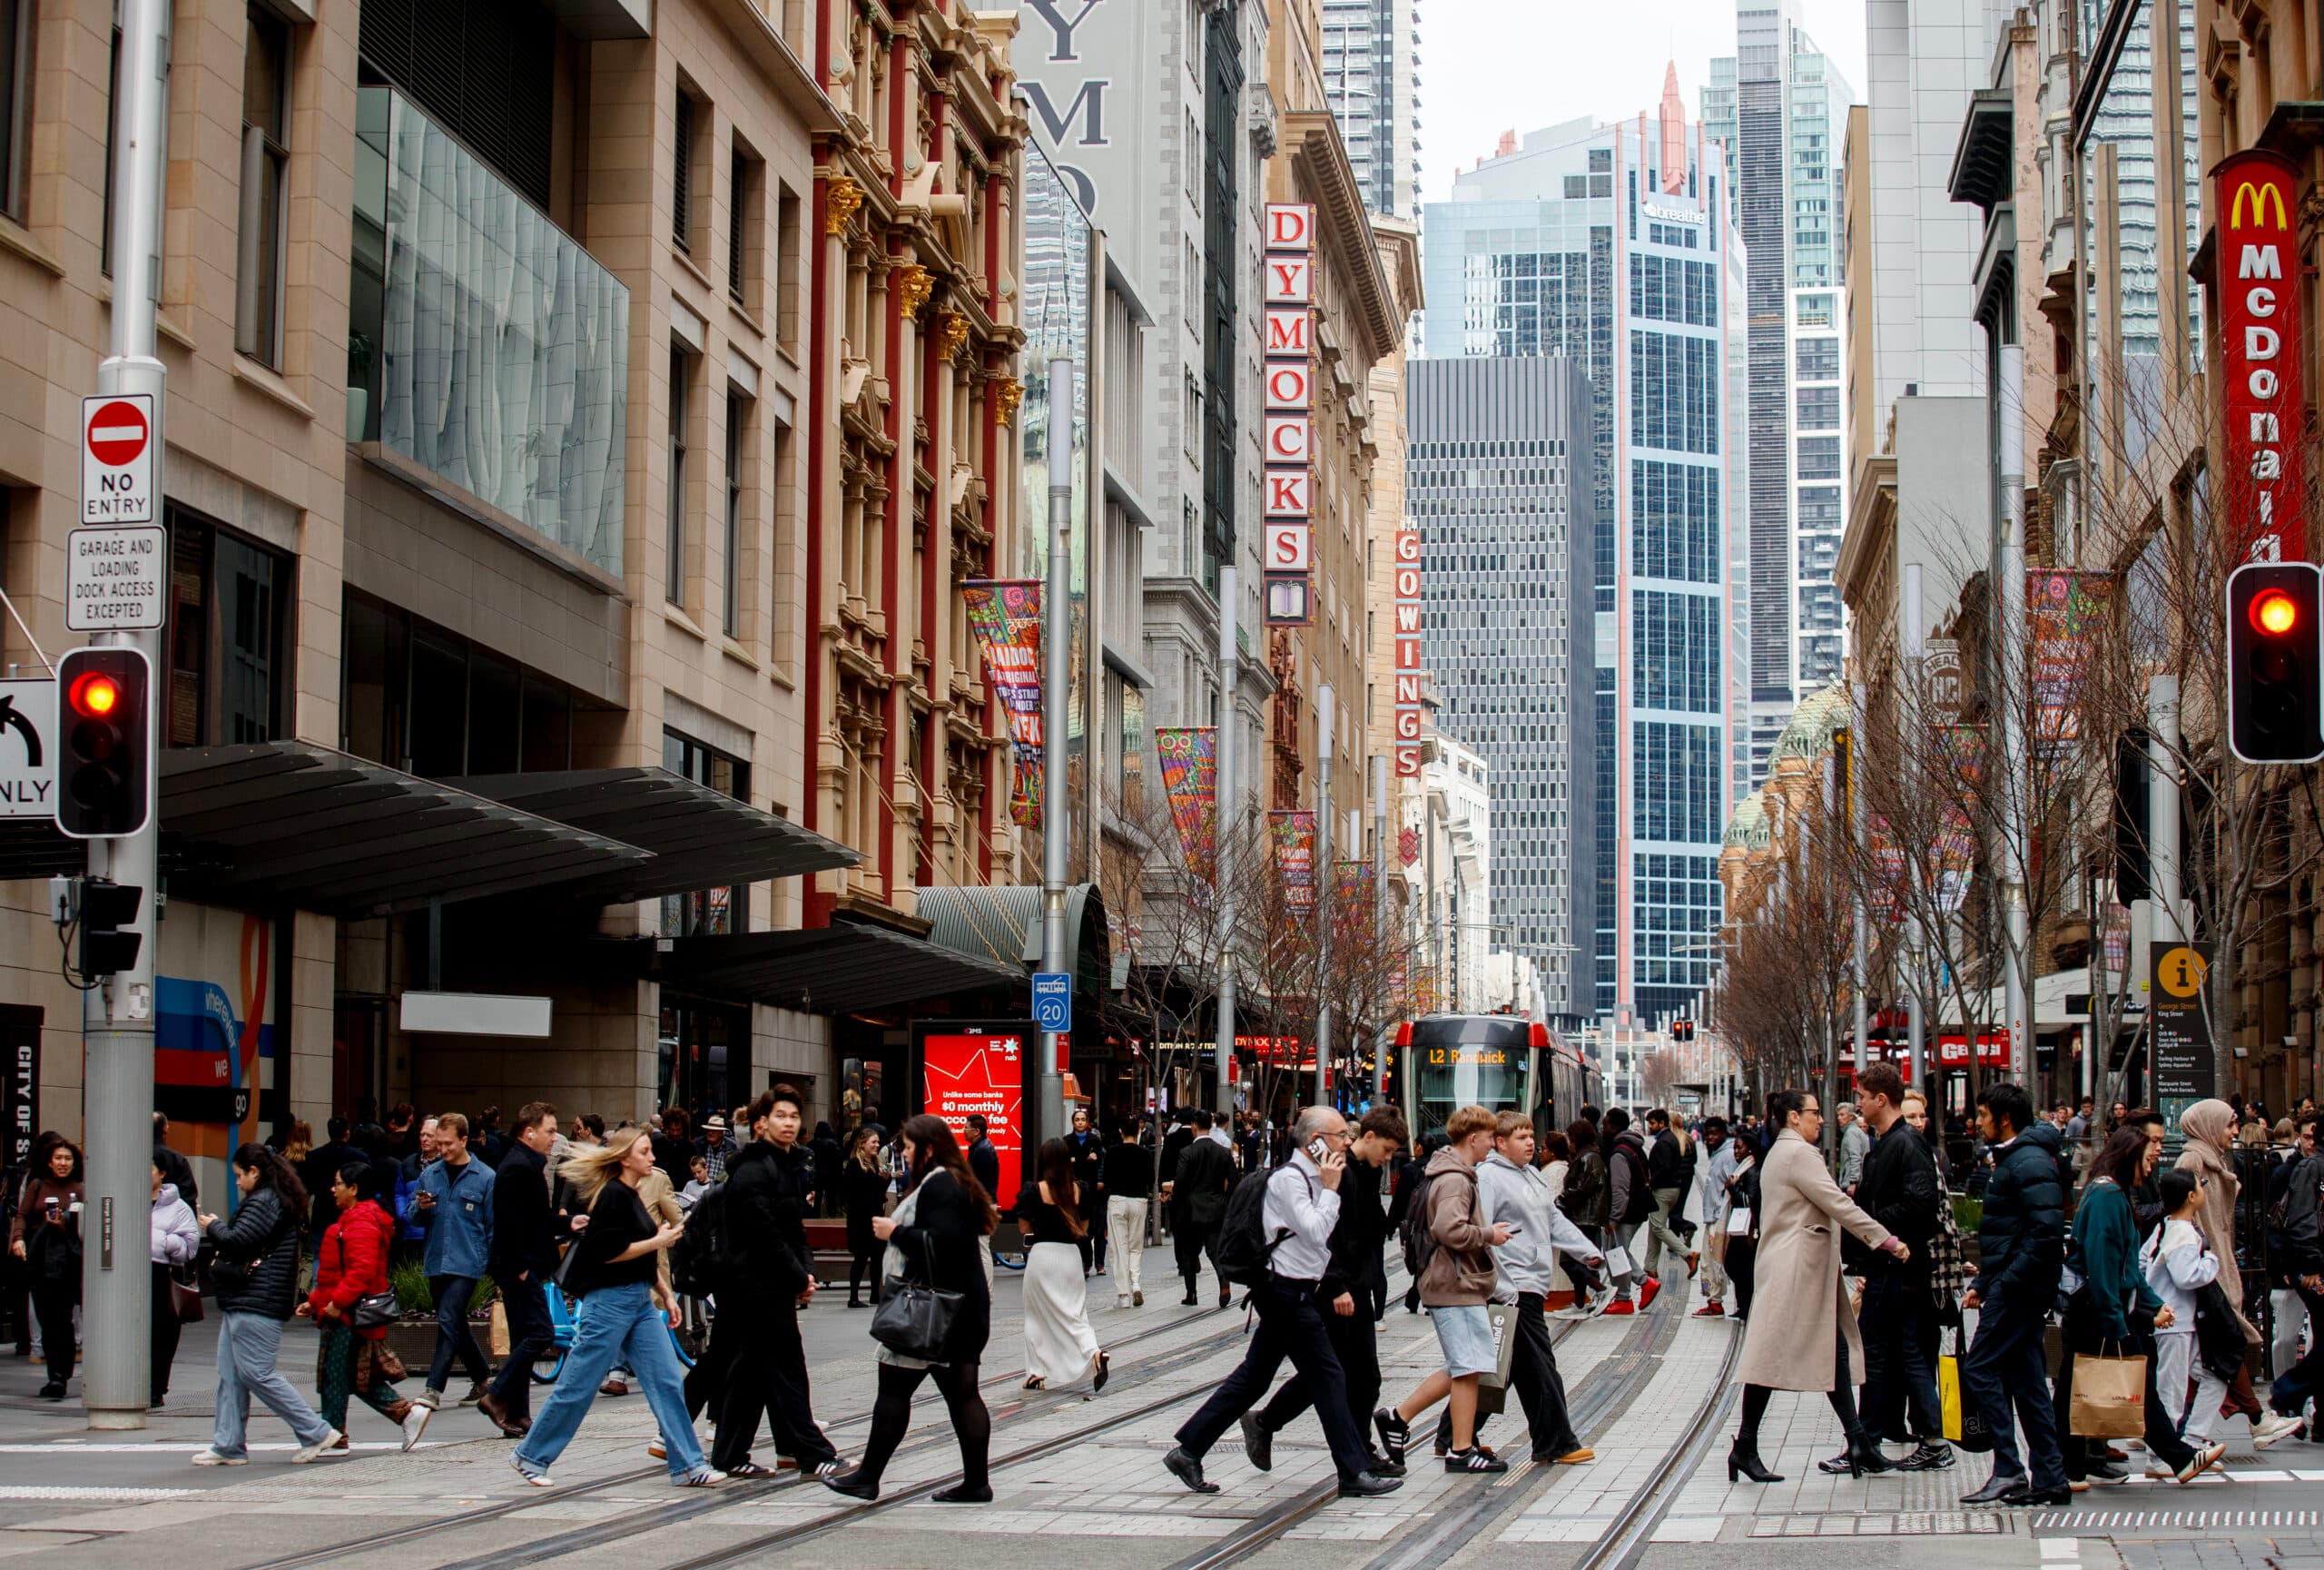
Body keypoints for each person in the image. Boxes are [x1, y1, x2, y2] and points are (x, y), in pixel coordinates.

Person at [1162, 1106, 1401, 1498]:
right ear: (1314, 1142)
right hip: (1284, 1293)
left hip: (1295, 1291)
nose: (1346, 1141)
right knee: (1329, 1376)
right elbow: (1317, 1231)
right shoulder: (1291, 1181)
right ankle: (1353, 1470)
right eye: (1340, 1135)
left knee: (1253, 1378)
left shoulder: (1315, 1178)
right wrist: (1330, 1188)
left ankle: (1189, 1450)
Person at [510, 1125, 717, 1487]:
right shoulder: (613, 1196)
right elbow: (609, 1253)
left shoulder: (631, 1193)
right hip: (608, 1302)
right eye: (644, 1152)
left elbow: (640, 1251)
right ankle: (531, 1456)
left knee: (667, 1381)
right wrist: (659, 1239)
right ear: (625, 1159)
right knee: (579, 1384)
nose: (652, 1157)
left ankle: (689, 1466)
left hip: (636, 1300)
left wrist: (665, 1293)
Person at [1726, 1089, 1908, 1486]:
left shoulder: (1779, 1151)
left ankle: (1856, 1441)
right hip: (1797, 1269)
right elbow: (1837, 1203)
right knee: (1770, 1357)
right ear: (1793, 1117)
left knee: (1832, 1351)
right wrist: (1886, 1240)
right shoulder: (1799, 1154)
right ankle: (1747, 1446)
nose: (1820, 1119)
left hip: (1794, 1266)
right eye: (1813, 1113)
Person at [819, 1115, 996, 1503]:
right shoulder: (954, 1180)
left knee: (895, 1388)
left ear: (928, 1149)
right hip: (959, 1310)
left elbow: (943, 1243)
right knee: (963, 1395)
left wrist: (893, 1232)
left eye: (909, 1148)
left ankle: (868, 1476)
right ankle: (976, 1482)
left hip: (931, 1313)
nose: (903, 1154)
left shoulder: (940, 1185)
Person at [1245, 1106, 1408, 1476]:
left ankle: (1269, 1423)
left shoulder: (1365, 1174)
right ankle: (1352, 1450)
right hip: (1338, 1290)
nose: (1388, 1157)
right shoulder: (1340, 1172)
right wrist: (1336, 1285)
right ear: (1368, 1137)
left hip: (1357, 1286)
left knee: (1346, 1375)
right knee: (1343, 1375)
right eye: (1386, 1148)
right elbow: (1326, 1232)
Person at [2053, 1127, 2216, 1490]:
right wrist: (2116, 1319)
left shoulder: (2109, 1193)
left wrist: (2151, 1304)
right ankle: (2178, 1458)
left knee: (2075, 1388)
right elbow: (2105, 1264)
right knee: (2130, 1387)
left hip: (2097, 1310)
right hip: (2100, 1312)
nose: (2155, 1157)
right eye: (2149, 1151)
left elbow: (2123, 1264)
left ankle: (2067, 1468)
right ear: (2130, 1156)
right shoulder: (2110, 1197)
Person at [710, 1085, 845, 1477]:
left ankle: (729, 1455)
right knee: (787, 1369)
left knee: (751, 1373)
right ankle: (812, 1453)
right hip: (753, 1287)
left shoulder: (788, 1166)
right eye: (780, 1116)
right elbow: (764, 1235)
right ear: (760, 1124)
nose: (788, 1123)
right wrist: (797, 1275)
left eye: (793, 1117)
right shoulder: (752, 1171)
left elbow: (793, 1230)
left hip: (770, 1284)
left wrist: (806, 1272)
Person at [1375, 1105, 1516, 1474]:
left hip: (1457, 1281)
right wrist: (1490, 1236)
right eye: (1489, 1139)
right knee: (1468, 1366)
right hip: (1453, 1282)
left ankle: (1407, 1421)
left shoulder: (1452, 1173)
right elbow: (1448, 1229)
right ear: (1473, 1138)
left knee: (1467, 1366)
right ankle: (1456, 1447)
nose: (1492, 1146)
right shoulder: (1455, 1179)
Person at [1958, 1082, 2071, 1505]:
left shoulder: (2026, 1160)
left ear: (2004, 1118)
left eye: (1984, 1115)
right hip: (2018, 1286)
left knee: (1980, 1368)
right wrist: (1986, 1281)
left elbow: (2043, 1233)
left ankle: (2009, 1468)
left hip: (2021, 1289)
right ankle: (2051, 1477)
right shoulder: (2019, 1158)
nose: (1978, 1122)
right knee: (2028, 1382)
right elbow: (2016, 1232)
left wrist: (2002, 1282)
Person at [1466, 1111, 1600, 1465]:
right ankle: (1556, 1442)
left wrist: (1587, 1252)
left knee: (1511, 1368)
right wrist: (1503, 1286)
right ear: (1500, 1142)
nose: (1530, 1143)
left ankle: (1453, 1433)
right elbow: (1483, 1235)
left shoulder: (1533, 1177)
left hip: (1532, 1283)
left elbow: (1553, 1220)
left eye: (1531, 1136)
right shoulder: (1490, 1178)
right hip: (1513, 1287)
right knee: (1541, 1367)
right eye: (1521, 1137)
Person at [195, 1145, 344, 1465]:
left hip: (255, 1299)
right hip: (249, 1297)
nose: (236, 1182)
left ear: (255, 1172)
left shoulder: (264, 1201)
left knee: (256, 1373)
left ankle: (315, 1431)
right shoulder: (275, 1199)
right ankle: (228, 1444)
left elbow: (238, 1239)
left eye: (239, 1175)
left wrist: (213, 1226)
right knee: (232, 1374)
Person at [2176, 1098, 2304, 1447]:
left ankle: (2178, 1431)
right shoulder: (2194, 1160)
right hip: (2206, 1270)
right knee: (2224, 1347)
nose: (2235, 1131)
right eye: (2229, 1123)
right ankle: (2256, 1420)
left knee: (2208, 1358)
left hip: (2214, 1266)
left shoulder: (2212, 1161)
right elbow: (2191, 1218)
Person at [1847, 1063, 1949, 1474]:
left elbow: (1921, 1206)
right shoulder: (1888, 1142)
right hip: (1890, 1264)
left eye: (1862, 1098)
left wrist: (1872, 1224)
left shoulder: (1906, 1144)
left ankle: (1924, 1438)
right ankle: (1872, 1440)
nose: (1859, 1105)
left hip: (1902, 1268)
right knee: (1886, 1350)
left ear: (1880, 1099)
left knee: (1900, 1350)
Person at [300, 1160, 430, 1451]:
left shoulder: (360, 1221)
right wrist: (315, 1302)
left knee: (339, 1375)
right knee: (347, 1375)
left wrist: (336, 1303)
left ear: (354, 1189)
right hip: (345, 1310)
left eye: (338, 1184)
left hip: (348, 1313)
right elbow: (340, 1270)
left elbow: (361, 1269)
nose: (333, 1190)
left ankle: (340, 1431)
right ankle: (338, 1433)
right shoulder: (357, 1218)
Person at [479, 1103, 566, 1439]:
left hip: (519, 1264)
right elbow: (510, 1222)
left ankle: (517, 1414)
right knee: (541, 1333)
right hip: (518, 1266)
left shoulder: (525, 1164)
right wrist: (518, 1268)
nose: (553, 1138)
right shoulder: (519, 1167)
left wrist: (567, 1222)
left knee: (522, 1338)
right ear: (529, 1132)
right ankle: (497, 1394)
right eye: (549, 1131)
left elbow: (535, 1219)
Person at [407, 1111, 496, 1409]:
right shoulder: (429, 1174)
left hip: (468, 1262)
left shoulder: (485, 1177)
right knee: (455, 1321)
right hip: (436, 1259)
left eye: (448, 1144)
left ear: (464, 1140)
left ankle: (434, 1387)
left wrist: (496, 1268)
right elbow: (413, 1216)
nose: (442, 1149)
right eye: (439, 1143)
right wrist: (420, 1207)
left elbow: (492, 1226)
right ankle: (483, 1378)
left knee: (447, 1319)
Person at [1011, 1138, 1109, 1391]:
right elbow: (1085, 1229)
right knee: (1075, 1313)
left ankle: (1036, 1372)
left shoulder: (1034, 1190)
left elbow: (1023, 1226)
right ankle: (1094, 1352)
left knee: (1035, 1315)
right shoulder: (1080, 1190)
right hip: (1070, 1258)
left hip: (1042, 1257)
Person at [2144, 1168, 2228, 1457]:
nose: (2203, 1191)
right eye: (2200, 1187)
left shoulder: (2164, 1225)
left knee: (2205, 1375)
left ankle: (2188, 1440)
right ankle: (2164, 1455)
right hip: (2175, 1321)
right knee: (2172, 1390)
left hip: (2172, 1318)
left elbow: (2143, 1261)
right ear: (2192, 1197)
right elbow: (2185, 1277)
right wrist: (2210, 1261)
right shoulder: (2182, 1233)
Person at [2261, 1116, 2324, 1433]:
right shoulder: (2310, 1169)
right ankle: (2287, 1391)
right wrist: (2310, 1265)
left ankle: (2310, 1409)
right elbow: (2301, 1220)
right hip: (2316, 1271)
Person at [10, 1135, 82, 1400]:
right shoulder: (38, 1186)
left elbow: (85, 1228)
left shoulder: (81, 1189)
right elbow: (23, 1215)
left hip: (67, 1264)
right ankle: (55, 1372)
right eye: (58, 1158)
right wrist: (18, 1238)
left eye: (68, 1158)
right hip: (40, 1262)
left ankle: (59, 1375)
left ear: (74, 1163)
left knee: (63, 1320)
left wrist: (65, 1224)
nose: (63, 1163)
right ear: (50, 1162)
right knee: (46, 1319)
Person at [1168, 1109, 1237, 1307]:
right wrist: (1224, 1199)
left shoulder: (1187, 1153)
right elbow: (1234, 1180)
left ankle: (1191, 1294)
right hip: (1216, 1207)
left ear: (1194, 1126)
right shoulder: (1223, 1152)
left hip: (1191, 1210)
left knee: (1190, 1252)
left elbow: (1180, 1182)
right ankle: (1223, 1279)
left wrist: (1178, 1199)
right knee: (1214, 1249)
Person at [150, 1160, 199, 1409]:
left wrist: (159, 1240)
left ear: (162, 1174)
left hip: (163, 1274)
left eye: (149, 1168)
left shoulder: (178, 1207)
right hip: (132, 1276)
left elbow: (189, 1246)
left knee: (163, 1333)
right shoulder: (127, 1199)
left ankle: (157, 1387)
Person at [1601, 1109, 1656, 1313]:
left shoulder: (1618, 1154)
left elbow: (1620, 1189)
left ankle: (1638, 1287)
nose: (1602, 1129)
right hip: (1636, 1210)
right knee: (1616, 1252)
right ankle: (1624, 1297)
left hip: (1625, 1213)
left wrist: (1614, 1218)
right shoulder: (1634, 1147)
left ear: (1614, 1128)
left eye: (1605, 1125)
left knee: (1617, 1253)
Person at [1556, 1118, 1610, 1317]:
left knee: (1568, 1261)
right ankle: (1580, 1303)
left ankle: (1601, 1289)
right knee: (1579, 1261)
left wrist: (1560, 1201)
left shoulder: (1588, 1159)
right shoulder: (1588, 1156)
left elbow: (1580, 1188)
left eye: (1570, 1137)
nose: (1569, 1141)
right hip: (1586, 1216)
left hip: (1584, 1217)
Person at [1101, 1119, 1156, 1308]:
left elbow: (1106, 1178)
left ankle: (1123, 1294)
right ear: (1138, 1131)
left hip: (1117, 1200)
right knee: (1135, 1247)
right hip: (1139, 1201)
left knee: (1118, 1248)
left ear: (1120, 1131)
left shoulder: (1112, 1152)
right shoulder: (1145, 1154)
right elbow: (1151, 1179)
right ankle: (1136, 1284)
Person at [1641, 1109, 1697, 1280]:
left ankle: (1688, 1255)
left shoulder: (1664, 1142)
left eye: (1652, 1123)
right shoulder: (1670, 1138)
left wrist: (1651, 1183)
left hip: (1664, 1190)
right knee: (1655, 1226)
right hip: (1672, 1188)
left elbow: (1664, 1168)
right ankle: (1650, 1267)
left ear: (1662, 1123)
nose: (1649, 1127)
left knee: (1658, 1227)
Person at [841, 1124, 890, 1307]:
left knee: (877, 1257)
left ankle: (875, 1295)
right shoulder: (855, 1165)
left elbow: (879, 1191)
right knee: (861, 1258)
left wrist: (885, 1178)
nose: (877, 1145)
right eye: (873, 1142)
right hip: (860, 1218)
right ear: (862, 1144)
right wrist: (879, 1181)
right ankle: (853, 1296)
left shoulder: (876, 1164)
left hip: (876, 1215)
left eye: (877, 1142)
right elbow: (856, 1191)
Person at [1694, 1117, 1736, 1318]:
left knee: (1714, 1261)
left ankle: (1716, 1302)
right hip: (1714, 1217)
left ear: (1723, 1133)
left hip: (1720, 1218)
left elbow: (1733, 1184)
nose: (1710, 1138)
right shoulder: (1719, 1154)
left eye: (1714, 1133)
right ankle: (1714, 1301)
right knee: (1708, 1261)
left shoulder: (1727, 1155)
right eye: (1707, 1134)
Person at [1723, 1133, 1762, 1322]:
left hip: (1748, 1227)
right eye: (1735, 1148)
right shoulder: (1744, 1168)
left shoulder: (1752, 1170)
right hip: (1741, 1225)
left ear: (1750, 1149)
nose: (1736, 1152)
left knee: (1737, 1266)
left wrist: (1733, 1188)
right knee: (1736, 1265)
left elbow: (1750, 1199)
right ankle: (1744, 1306)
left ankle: (1748, 1306)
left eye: (1740, 1148)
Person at [301, 1116, 360, 1241]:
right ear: (347, 1133)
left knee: (319, 1253)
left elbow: (307, 1188)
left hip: (322, 1212)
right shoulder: (359, 1157)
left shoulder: (314, 1156)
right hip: (350, 1211)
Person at [1064, 1109, 1107, 1275]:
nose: (1080, 1122)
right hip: (1074, 1189)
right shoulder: (1067, 1141)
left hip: (1093, 1189)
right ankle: (1084, 1263)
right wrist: (1085, 1160)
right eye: (1077, 1120)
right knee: (1079, 1227)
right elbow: (1067, 1164)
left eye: (1083, 1119)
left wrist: (1077, 1160)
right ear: (1073, 1122)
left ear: (1087, 1121)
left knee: (1096, 1227)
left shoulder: (1095, 1140)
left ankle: (1098, 1264)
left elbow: (1098, 1162)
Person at [153, 1112, 199, 1210]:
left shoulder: (131, 1159)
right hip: (174, 1219)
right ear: (166, 1129)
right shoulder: (178, 1159)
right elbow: (188, 1198)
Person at [964, 1114, 1002, 1201]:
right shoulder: (979, 1147)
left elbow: (978, 1181)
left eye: (966, 1128)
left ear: (977, 1131)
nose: (964, 1131)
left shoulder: (982, 1150)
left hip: (983, 1203)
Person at [1837, 1102, 1872, 1193]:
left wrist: (1853, 1182)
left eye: (1842, 1115)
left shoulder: (1851, 1132)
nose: (1839, 1118)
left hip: (1852, 1185)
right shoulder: (1854, 1131)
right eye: (1838, 1115)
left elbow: (1855, 1157)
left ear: (1851, 1117)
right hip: (1855, 1182)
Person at [699, 1116, 734, 1184]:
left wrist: (716, 1186)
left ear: (721, 1133)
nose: (710, 1133)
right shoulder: (699, 1145)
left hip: (721, 1190)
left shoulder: (732, 1147)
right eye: (709, 1130)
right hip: (700, 1188)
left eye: (714, 1131)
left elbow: (730, 1170)